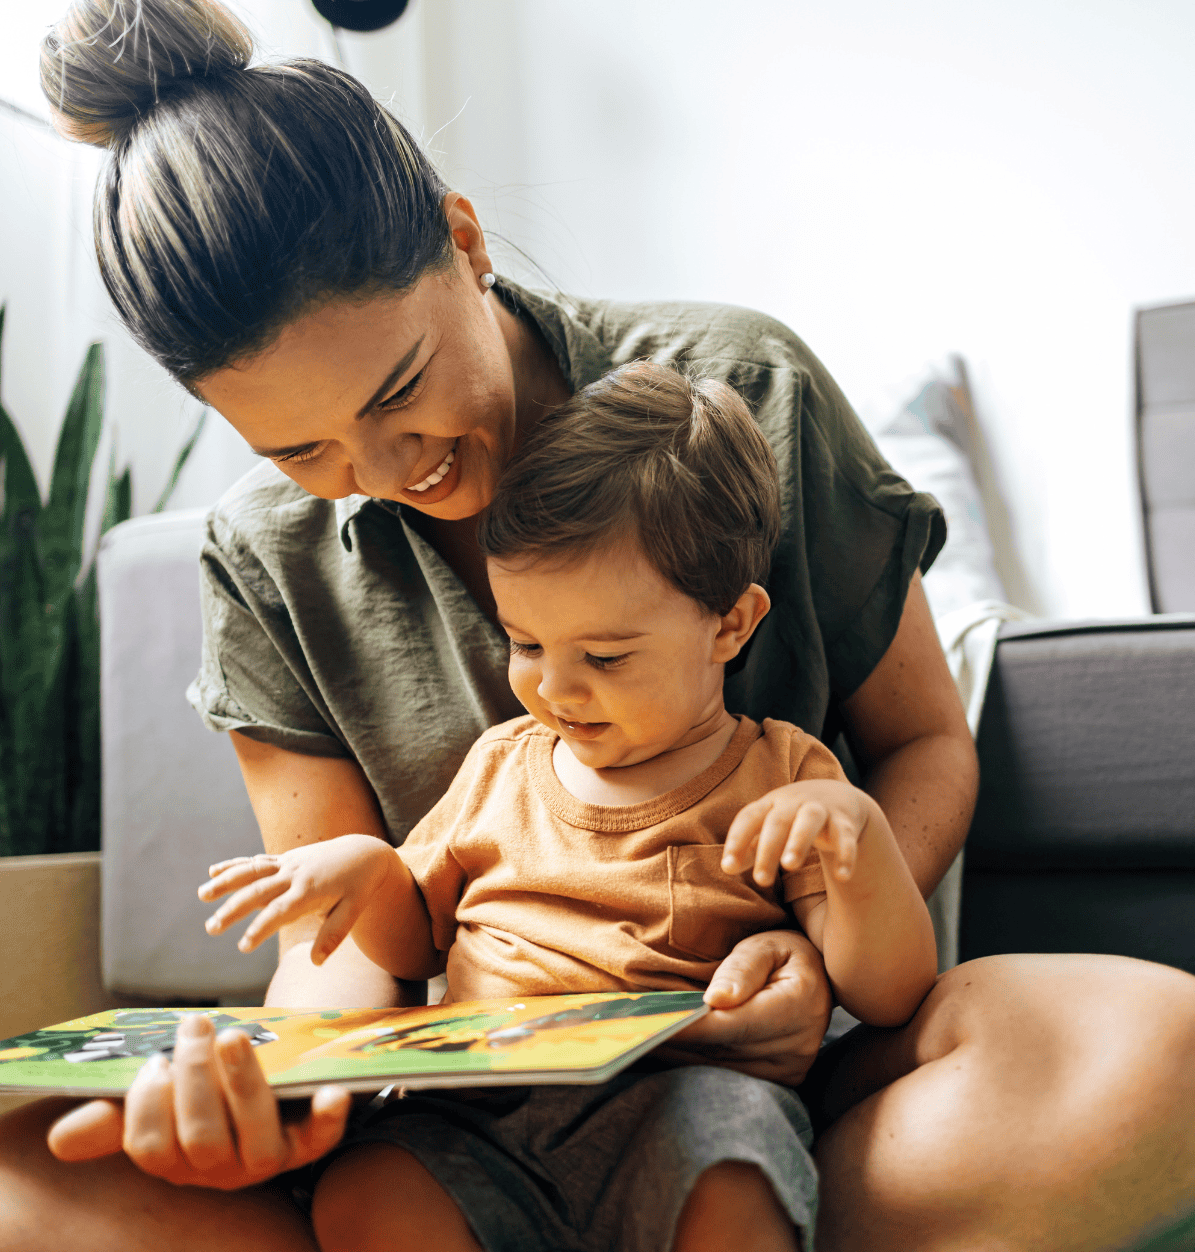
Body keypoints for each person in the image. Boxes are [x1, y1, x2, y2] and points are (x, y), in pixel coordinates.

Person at [0, 1, 1195, 1249]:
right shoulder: (260, 555)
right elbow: (340, 936)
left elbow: (922, 743)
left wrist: (818, 949)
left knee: (1171, 1056)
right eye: (300, 449)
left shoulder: (743, 390)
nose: (385, 471)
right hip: (471, 1118)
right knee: (24, 1178)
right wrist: (284, 1094)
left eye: (400, 391)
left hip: (761, 1071)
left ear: (462, 238)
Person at [196, 360, 940, 1252]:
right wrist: (366, 875)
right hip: (478, 1109)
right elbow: (418, 941)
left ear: (730, 625)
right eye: (526, 643)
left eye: (606, 657)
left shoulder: (784, 777)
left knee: (737, 1183)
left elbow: (890, 993)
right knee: (367, 1192)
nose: (555, 689)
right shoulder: (500, 766)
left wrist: (861, 844)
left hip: (683, 1100)